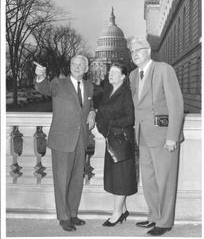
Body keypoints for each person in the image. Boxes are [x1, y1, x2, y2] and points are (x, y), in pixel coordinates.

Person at [129, 38, 184, 236]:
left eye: (138, 49)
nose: (134, 53)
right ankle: (153, 216)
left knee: (165, 180)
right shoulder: (133, 75)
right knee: (150, 181)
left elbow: (176, 105)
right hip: (143, 136)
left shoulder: (164, 69)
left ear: (148, 50)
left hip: (163, 137)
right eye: (132, 51)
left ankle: (165, 221)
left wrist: (172, 137)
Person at [34, 55, 95, 232]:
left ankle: (73, 213)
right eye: (74, 64)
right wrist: (40, 76)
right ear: (70, 66)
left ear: (86, 68)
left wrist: (92, 112)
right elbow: (44, 88)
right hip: (62, 140)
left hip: (80, 139)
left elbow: (89, 105)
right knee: (62, 181)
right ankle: (63, 217)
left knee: (76, 179)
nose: (76, 67)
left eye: (80, 64)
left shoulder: (89, 86)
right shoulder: (58, 84)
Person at [96, 62, 138, 227]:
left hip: (121, 140)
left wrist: (111, 125)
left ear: (123, 76)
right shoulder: (107, 92)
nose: (111, 74)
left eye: (115, 72)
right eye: (110, 72)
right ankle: (124, 209)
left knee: (120, 177)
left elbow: (130, 118)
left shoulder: (126, 93)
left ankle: (117, 213)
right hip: (110, 140)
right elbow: (100, 114)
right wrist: (102, 128)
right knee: (115, 176)